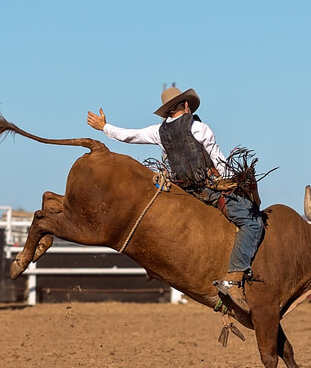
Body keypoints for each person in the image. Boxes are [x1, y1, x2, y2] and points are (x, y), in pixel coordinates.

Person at [87, 85, 263, 314]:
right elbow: (220, 163)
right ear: (187, 105)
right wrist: (234, 182)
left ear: (168, 111)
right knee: (252, 221)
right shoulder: (200, 128)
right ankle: (234, 278)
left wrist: (104, 127)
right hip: (206, 191)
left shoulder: (158, 132)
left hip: (181, 191)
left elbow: (129, 136)